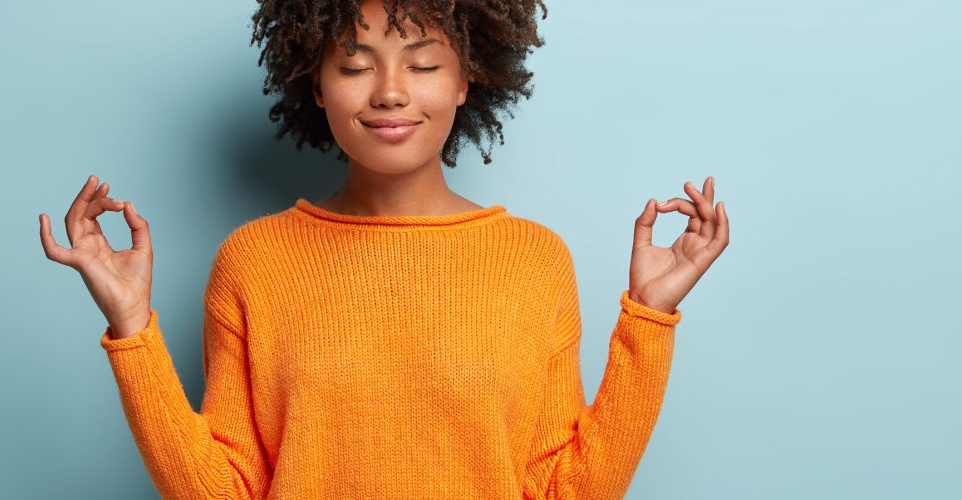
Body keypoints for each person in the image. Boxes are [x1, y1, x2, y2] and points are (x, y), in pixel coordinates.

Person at [38, 0, 729, 498]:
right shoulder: (254, 260)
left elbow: (564, 490)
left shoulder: (534, 261)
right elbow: (226, 490)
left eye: (424, 64)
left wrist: (649, 316)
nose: (391, 93)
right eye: (354, 65)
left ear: (465, 79)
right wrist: (132, 330)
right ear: (315, 81)